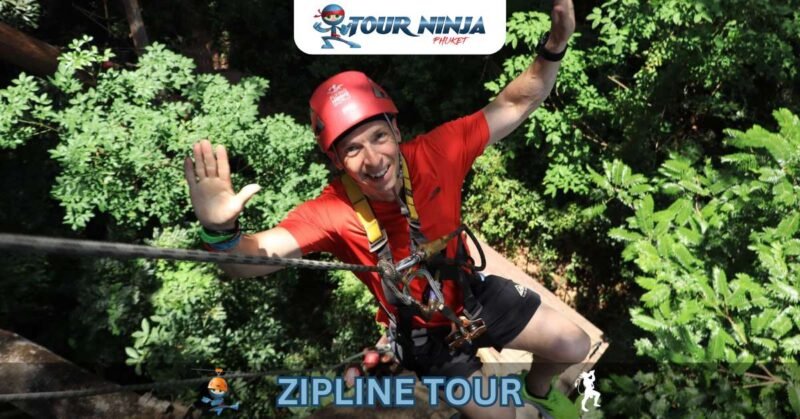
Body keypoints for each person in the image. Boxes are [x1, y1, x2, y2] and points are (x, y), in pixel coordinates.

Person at [184, 1, 588, 417]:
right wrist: (220, 231)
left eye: (378, 137)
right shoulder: (333, 211)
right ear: (338, 161)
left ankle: (538, 393)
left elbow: (515, 103)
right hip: (423, 336)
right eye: (353, 149)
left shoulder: (436, 154)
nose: (373, 160)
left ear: (396, 131)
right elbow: (249, 260)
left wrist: (555, 46)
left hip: (470, 297)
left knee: (573, 344)